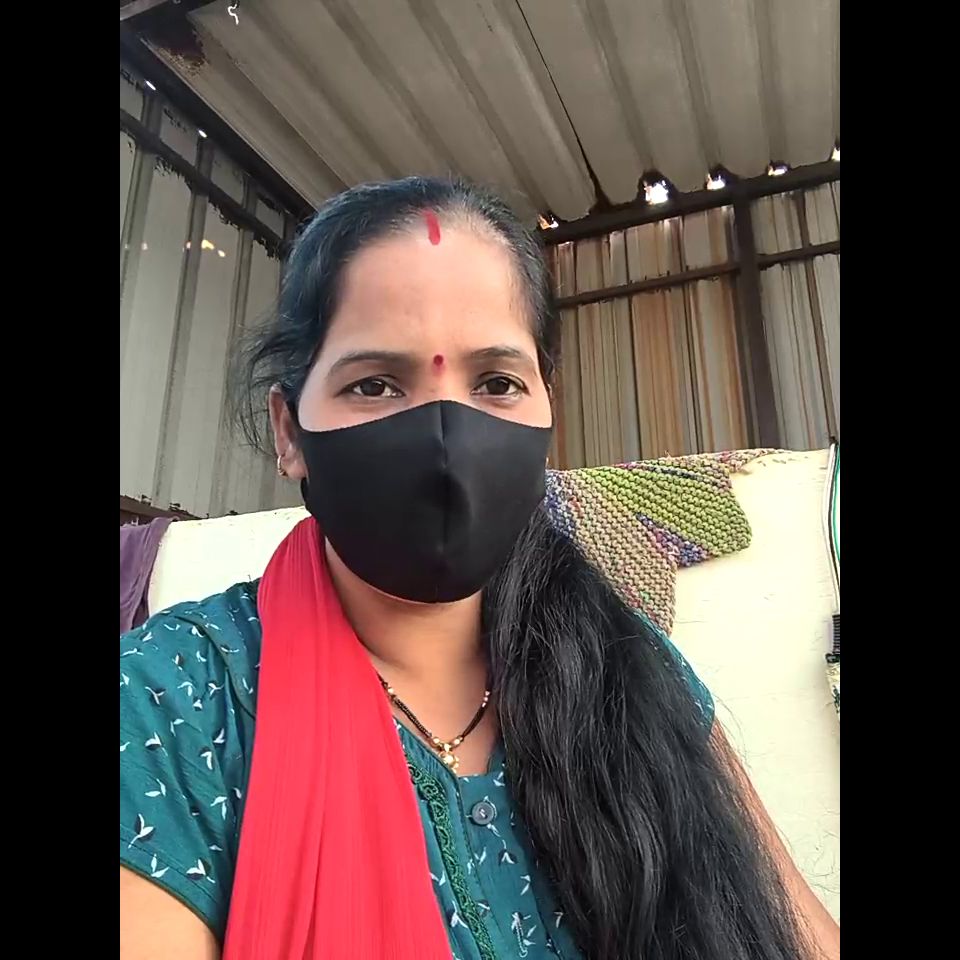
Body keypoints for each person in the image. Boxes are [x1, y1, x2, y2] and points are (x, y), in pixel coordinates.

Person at [120, 177, 840, 960]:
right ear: (289, 430)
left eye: (497, 383)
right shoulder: (172, 703)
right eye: (374, 384)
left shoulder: (634, 673)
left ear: (547, 411)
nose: (444, 442)